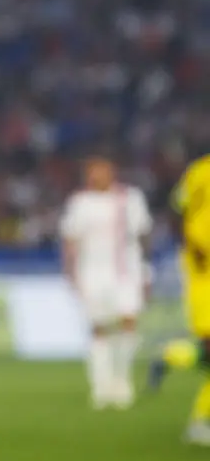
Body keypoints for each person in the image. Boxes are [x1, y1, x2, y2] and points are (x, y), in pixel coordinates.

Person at [59, 157, 153, 409]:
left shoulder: (130, 198)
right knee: (98, 328)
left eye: (101, 171)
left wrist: (146, 271)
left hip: (127, 271)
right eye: (92, 172)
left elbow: (143, 234)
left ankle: (122, 380)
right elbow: (70, 239)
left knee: (128, 321)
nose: (96, 176)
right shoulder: (80, 202)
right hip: (92, 272)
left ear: (112, 172)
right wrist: (70, 273)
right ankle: (101, 386)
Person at [147, 153, 210, 446]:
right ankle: (201, 421)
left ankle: (172, 354)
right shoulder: (201, 170)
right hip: (204, 271)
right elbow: (177, 208)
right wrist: (190, 242)